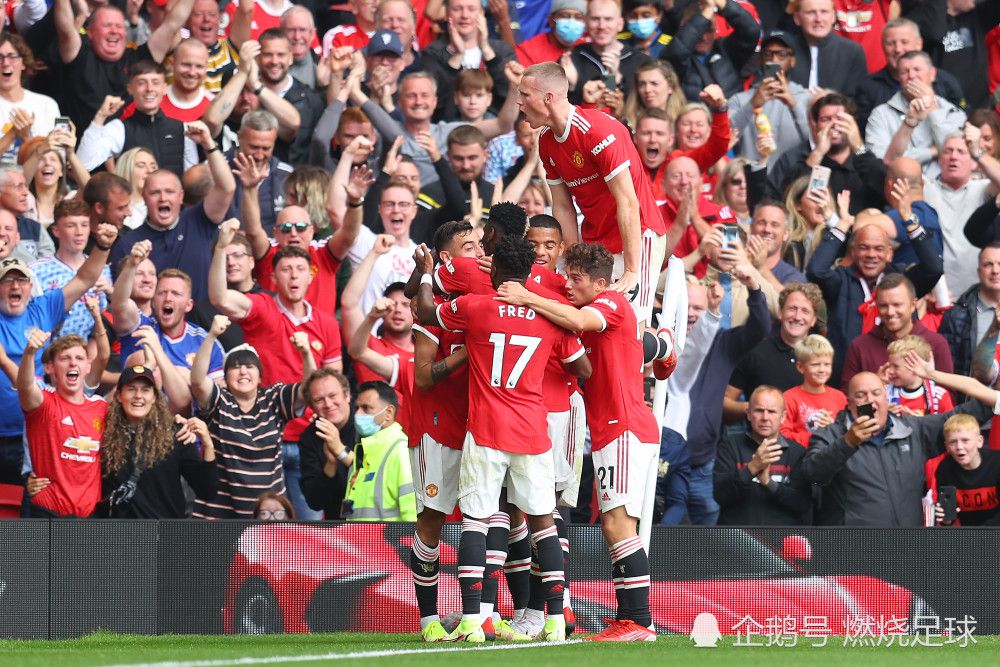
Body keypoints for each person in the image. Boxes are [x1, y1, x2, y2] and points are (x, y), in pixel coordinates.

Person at [492, 242, 660, 642]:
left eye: (576, 279)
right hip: (617, 429)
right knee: (619, 524)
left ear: (600, 284)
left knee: (617, 523)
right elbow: (651, 346)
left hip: (623, 428)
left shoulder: (610, 303)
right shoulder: (608, 310)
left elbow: (579, 321)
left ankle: (637, 620)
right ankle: (636, 619)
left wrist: (525, 295)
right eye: (566, 276)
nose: (568, 284)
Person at [411, 235, 573, 643]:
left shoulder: (475, 308)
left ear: (496, 270)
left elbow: (428, 310)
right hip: (533, 432)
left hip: (486, 431)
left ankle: (472, 621)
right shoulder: (551, 315)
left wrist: (430, 273)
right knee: (544, 526)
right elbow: (581, 364)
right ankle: (555, 622)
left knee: (475, 524)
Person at [518, 61, 666, 324]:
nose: (519, 103)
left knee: (629, 322)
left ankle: (661, 349)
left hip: (637, 235)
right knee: (582, 319)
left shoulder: (598, 131)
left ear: (548, 98)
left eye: (524, 95)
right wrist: (574, 261)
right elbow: (563, 207)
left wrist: (632, 270)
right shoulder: (547, 142)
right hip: (595, 239)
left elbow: (628, 202)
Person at [0, 220, 116, 487]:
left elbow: (85, 279)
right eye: (7, 281)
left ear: (31, 288)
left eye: (21, 280)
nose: (15, 286)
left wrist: (102, 246)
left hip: (34, 431)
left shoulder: (42, 309)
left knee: (28, 512)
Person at [404, 221, 475, 641]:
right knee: (432, 520)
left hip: (478, 428)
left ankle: (480, 612)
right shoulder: (432, 310)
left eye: (481, 243)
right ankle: (429, 620)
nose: (479, 250)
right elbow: (425, 378)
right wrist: (468, 353)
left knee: (483, 520)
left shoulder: (485, 301)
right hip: (435, 431)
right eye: (469, 246)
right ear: (448, 259)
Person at [799, 370, 989, 526]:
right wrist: (848, 442)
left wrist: (994, 396)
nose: (870, 400)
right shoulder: (830, 435)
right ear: (849, 403)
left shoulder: (913, 429)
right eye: (860, 395)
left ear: (886, 396)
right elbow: (812, 474)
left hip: (906, 549)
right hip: (854, 552)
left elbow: (968, 412)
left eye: (876, 393)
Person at [806, 191, 942, 384]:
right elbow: (816, 271)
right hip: (848, 381)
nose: (871, 254)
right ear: (853, 251)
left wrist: (909, 221)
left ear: (889, 254)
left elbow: (934, 268)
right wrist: (842, 224)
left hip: (898, 381)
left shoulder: (901, 279)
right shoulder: (841, 280)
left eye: (879, 249)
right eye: (864, 247)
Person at [190, 316, 313, 519]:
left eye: (250, 366)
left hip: (268, 514)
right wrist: (211, 336)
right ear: (225, 377)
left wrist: (306, 353)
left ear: (260, 375)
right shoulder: (220, 400)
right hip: (219, 512)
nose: (243, 371)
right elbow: (197, 381)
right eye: (235, 367)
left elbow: (308, 391)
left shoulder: (273, 397)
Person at [109, 138, 238, 303]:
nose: (163, 198)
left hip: (205, 323)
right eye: (155, 193)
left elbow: (227, 187)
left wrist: (208, 144)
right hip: (154, 326)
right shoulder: (129, 244)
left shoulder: (198, 219)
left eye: (169, 192)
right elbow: (119, 301)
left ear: (181, 196)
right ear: (144, 197)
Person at [52, 0, 196, 131]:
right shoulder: (80, 55)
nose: (114, 31)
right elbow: (65, 30)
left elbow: (172, 25)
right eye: (107, 25)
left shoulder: (139, 59)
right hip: (81, 154)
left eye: (119, 26)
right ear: (91, 32)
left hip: (129, 154)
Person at [100, 366, 218, 518]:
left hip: (165, 536)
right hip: (120, 537)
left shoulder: (177, 434)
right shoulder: (105, 434)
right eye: (131, 389)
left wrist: (207, 444)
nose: (138, 395)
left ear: (155, 397)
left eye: (145, 390)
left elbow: (207, 491)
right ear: (119, 396)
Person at [17, 332, 106, 517]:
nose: (73, 363)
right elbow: (25, 386)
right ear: (50, 367)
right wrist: (29, 353)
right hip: (48, 511)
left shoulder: (101, 407)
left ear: (88, 366)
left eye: (80, 358)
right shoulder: (43, 404)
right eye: (65, 358)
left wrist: (181, 420)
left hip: (91, 514)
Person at [723, 282, 823, 422]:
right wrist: (753, 408)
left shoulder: (823, 359)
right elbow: (725, 402)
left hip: (810, 441)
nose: (797, 316)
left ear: (813, 320)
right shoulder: (755, 352)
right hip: (760, 440)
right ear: (780, 313)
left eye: (805, 311)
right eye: (792, 309)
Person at [714, 385, 811, 525]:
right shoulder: (729, 446)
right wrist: (752, 468)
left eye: (771, 411)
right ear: (748, 413)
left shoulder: (797, 452)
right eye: (759, 410)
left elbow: (803, 505)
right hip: (736, 538)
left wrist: (768, 483)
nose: (765, 417)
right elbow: (720, 496)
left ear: (783, 417)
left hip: (781, 539)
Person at [840, 273, 954, 388]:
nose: (890, 312)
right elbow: (850, 401)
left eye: (897, 305)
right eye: (883, 305)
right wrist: (874, 389)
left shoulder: (936, 343)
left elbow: (949, 398)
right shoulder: (860, 346)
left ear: (913, 305)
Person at [865, 51, 967, 178]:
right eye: (904, 72)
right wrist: (932, 151)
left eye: (917, 70)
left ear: (932, 74)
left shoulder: (952, 112)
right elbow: (882, 161)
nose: (912, 76)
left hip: (944, 190)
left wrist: (933, 110)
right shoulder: (880, 114)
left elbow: (953, 154)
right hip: (900, 187)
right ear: (898, 78)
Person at [854, 18, 964, 128]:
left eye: (904, 42)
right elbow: (865, 131)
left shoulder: (945, 81)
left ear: (919, 44)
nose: (898, 49)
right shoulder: (868, 88)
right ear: (882, 46)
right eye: (890, 43)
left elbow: (961, 121)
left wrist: (932, 106)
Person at [419, 0, 516, 122]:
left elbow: (510, 95)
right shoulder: (432, 53)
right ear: (447, 13)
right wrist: (457, 56)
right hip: (447, 130)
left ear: (481, 12)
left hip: (495, 130)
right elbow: (435, 103)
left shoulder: (501, 50)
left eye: (471, 9)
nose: (465, 15)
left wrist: (487, 51)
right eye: (457, 9)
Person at [30, 198, 113, 340]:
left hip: (93, 352)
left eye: (84, 225)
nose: (79, 232)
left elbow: (112, 319)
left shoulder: (103, 268)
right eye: (71, 226)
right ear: (56, 230)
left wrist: (111, 293)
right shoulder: (36, 270)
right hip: (52, 352)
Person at [727, 30, 811, 162]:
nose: (774, 60)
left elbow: (815, 141)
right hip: (751, 177)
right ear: (759, 60)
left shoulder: (806, 99)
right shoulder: (740, 100)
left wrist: (793, 104)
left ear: (793, 61)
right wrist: (752, 104)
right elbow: (724, 138)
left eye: (782, 54)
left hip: (795, 180)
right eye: (767, 54)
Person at [342, 380, 415, 522]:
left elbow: (412, 513)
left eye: (366, 408)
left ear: (388, 412)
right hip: (357, 543)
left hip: (391, 543)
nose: (358, 414)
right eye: (357, 408)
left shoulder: (401, 451)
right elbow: (349, 511)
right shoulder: (361, 453)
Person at [661, 0, 760, 101]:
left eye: (709, 30)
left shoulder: (727, 49)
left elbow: (751, 31)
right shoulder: (674, 56)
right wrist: (707, 11)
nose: (703, 37)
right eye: (699, 31)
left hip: (731, 114)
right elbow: (677, 53)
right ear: (686, 29)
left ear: (715, 30)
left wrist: (724, 5)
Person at [298, 367, 357, 519]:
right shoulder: (309, 438)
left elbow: (378, 478)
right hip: (336, 524)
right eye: (319, 400)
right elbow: (315, 502)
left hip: (378, 520)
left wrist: (340, 450)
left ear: (347, 395)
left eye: (333, 395)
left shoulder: (367, 421)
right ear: (311, 408)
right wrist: (330, 465)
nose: (328, 404)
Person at [927, 413, 1000, 526]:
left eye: (965, 440)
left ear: (979, 441)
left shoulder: (996, 463)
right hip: (968, 534)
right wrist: (946, 519)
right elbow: (949, 519)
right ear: (946, 447)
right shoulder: (944, 469)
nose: (959, 447)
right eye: (953, 442)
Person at [939, 243, 1000, 378]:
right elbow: (947, 371)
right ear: (979, 271)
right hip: (973, 397)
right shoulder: (956, 316)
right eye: (988, 264)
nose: (995, 270)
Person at [0, 33, 61, 165]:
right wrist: (12, 133)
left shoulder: (47, 105)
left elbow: (57, 159)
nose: (5, 63)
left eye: (12, 56)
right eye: (0, 57)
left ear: (23, 63)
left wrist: (27, 138)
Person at [784, 0, 867, 97]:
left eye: (824, 12)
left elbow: (859, 102)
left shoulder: (852, 52)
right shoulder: (783, 50)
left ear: (833, 17)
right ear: (797, 18)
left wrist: (831, 100)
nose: (818, 19)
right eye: (811, 12)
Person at [780, 334, 847, 447]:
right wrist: (820, 436)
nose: (822, 370)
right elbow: (782, 435)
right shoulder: (788, 398)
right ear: (800, 367)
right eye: (815, 365)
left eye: (827, 364)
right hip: (800, 458)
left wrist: (832, 428)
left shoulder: (840, 397)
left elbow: (848, 431)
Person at [885, 335, 954, 416]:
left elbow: (951, 426)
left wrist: (921, 422)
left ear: (915, 366)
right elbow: (866, 415)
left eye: (896, 366)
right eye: (889, 366)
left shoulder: (939, 397)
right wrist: (883, 415)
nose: (889, 371)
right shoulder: (884, 391)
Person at [514, 0, 587, 68]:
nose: (572, 23)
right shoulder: (527, 51)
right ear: (551, 20)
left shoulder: (587, 50)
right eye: (564, 16)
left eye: (578, 17)